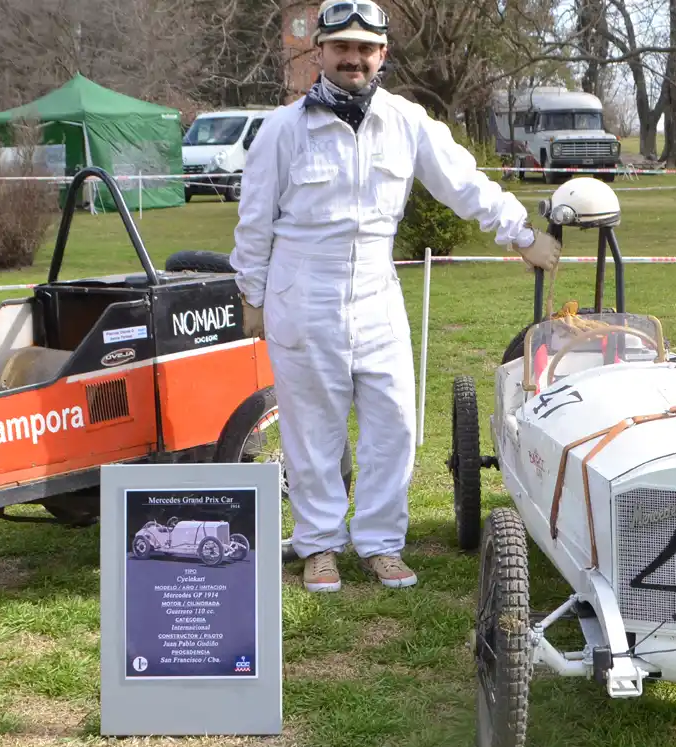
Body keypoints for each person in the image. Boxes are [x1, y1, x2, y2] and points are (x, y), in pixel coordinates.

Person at [228, 0, 562, 593]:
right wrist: (251, 295)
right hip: (302, 293)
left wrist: (521, 234)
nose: (353, 58)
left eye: (365, 48)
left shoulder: (406, 121)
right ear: (321, 52)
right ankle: (320, 544)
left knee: (395, 425)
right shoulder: (282, 130)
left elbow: (463, 182)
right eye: (341, 47)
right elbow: (254, 222)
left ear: (382, 54)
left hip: (377, 293)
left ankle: (381, 543)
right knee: (312, 430)